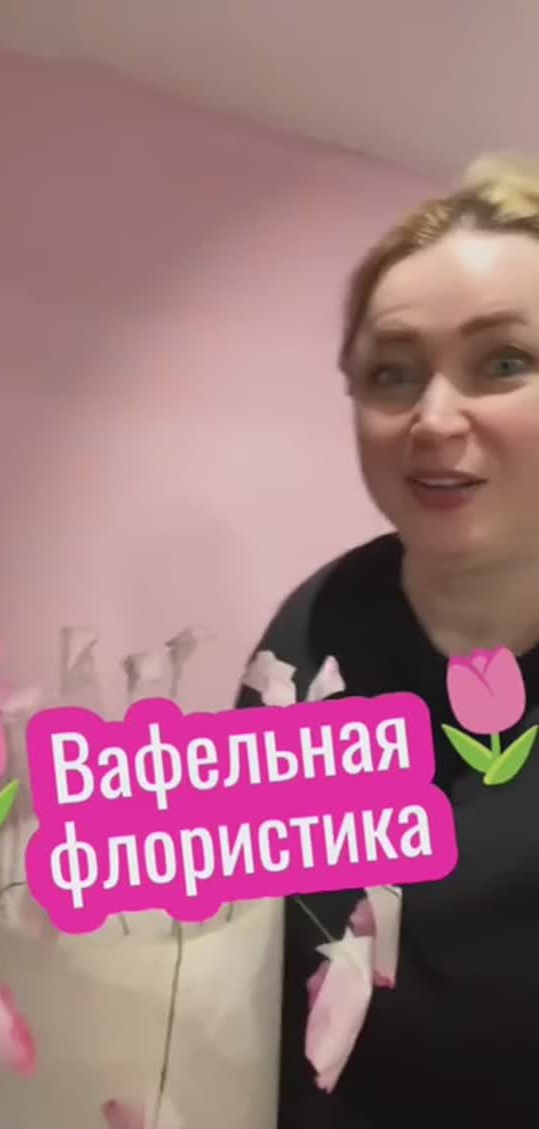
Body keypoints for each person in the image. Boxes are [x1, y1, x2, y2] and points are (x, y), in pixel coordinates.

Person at [235, 154, 539, 1127]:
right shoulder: (312, 632)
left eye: (504, 362)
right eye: (391, 374)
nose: (432, 418)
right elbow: (253, 951)